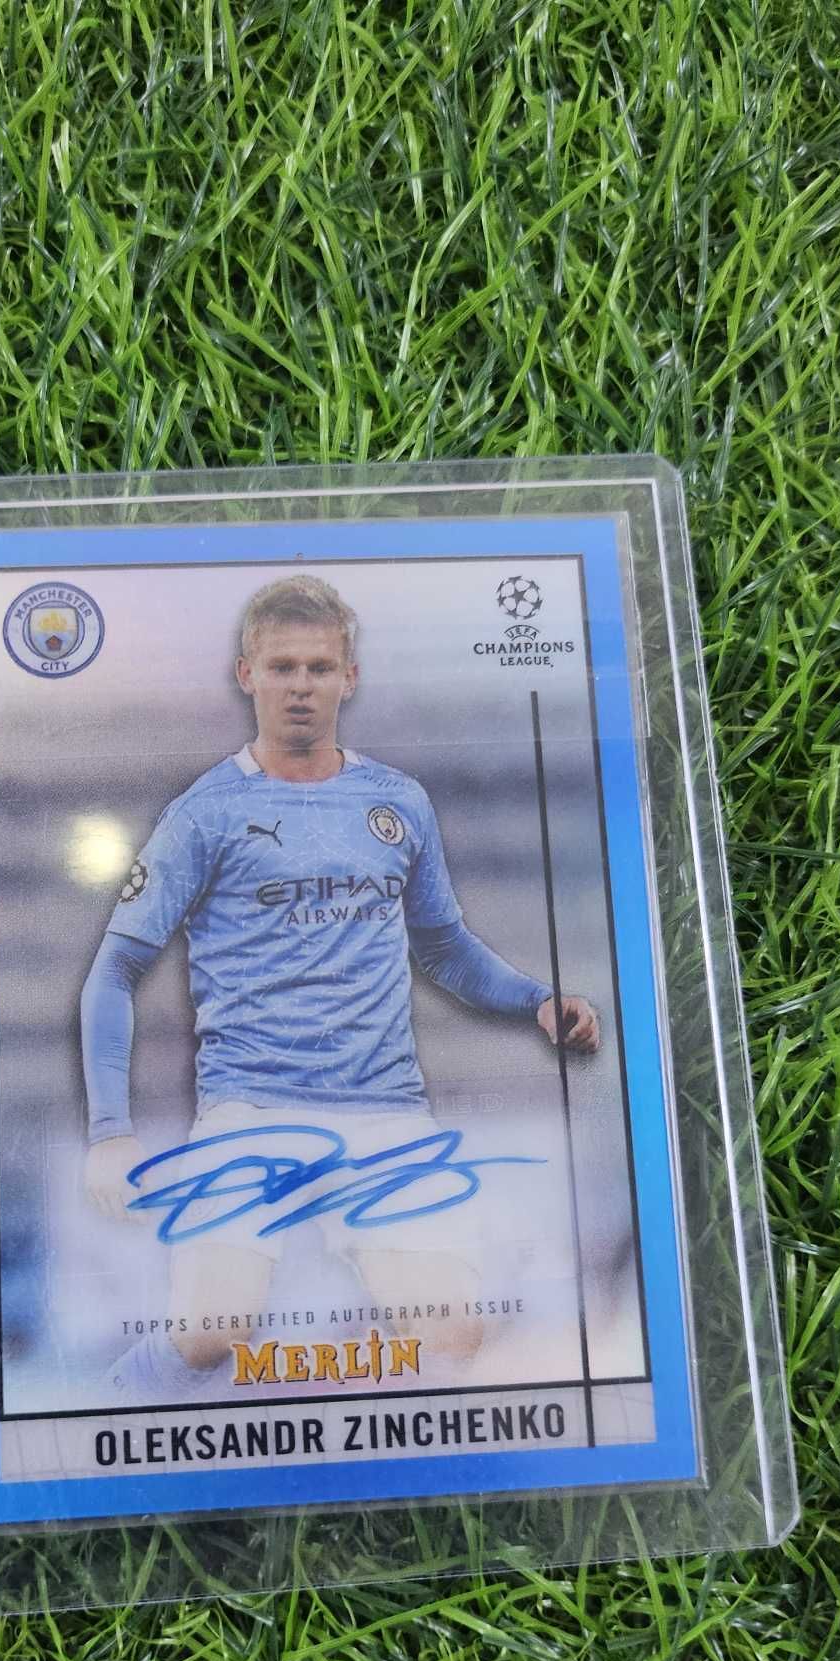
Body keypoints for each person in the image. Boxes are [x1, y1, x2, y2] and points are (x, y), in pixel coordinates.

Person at [80, 574, 599, 1401]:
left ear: (349, 678)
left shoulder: (397, 803)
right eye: (282, 667)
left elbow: (444, 947)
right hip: (252, 1105)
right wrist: (111, 1130)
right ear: (246, 674)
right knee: (212, 1337)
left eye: (319, 668)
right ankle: (103, 1408)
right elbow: (115, 969)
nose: (301, 686)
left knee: (452, 1335)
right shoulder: (203, 813)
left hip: (382, 1109)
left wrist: (535, 998)